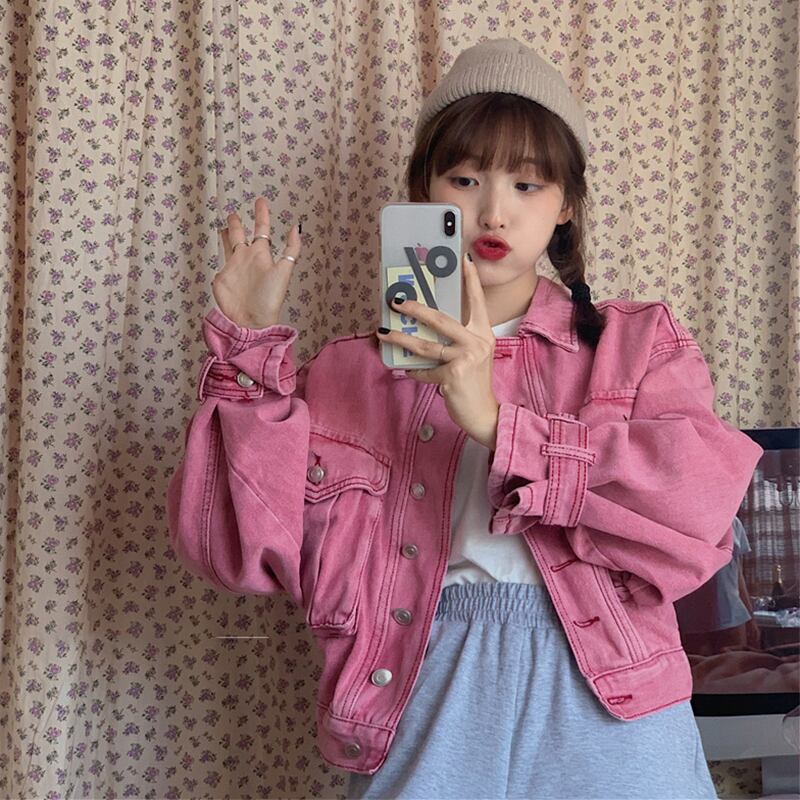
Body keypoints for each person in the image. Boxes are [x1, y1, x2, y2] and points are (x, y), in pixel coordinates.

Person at [167, 38, 764, 799]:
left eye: (527, 183)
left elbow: (698, 511)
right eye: (465, 177)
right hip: (417, 676)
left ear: (566, 205)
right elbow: (234, 554)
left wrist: (498, 423)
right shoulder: (347, 373)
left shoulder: (635, 344)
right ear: (423, 189)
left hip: (608, 687)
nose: (493, 210)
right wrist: (251, 355)